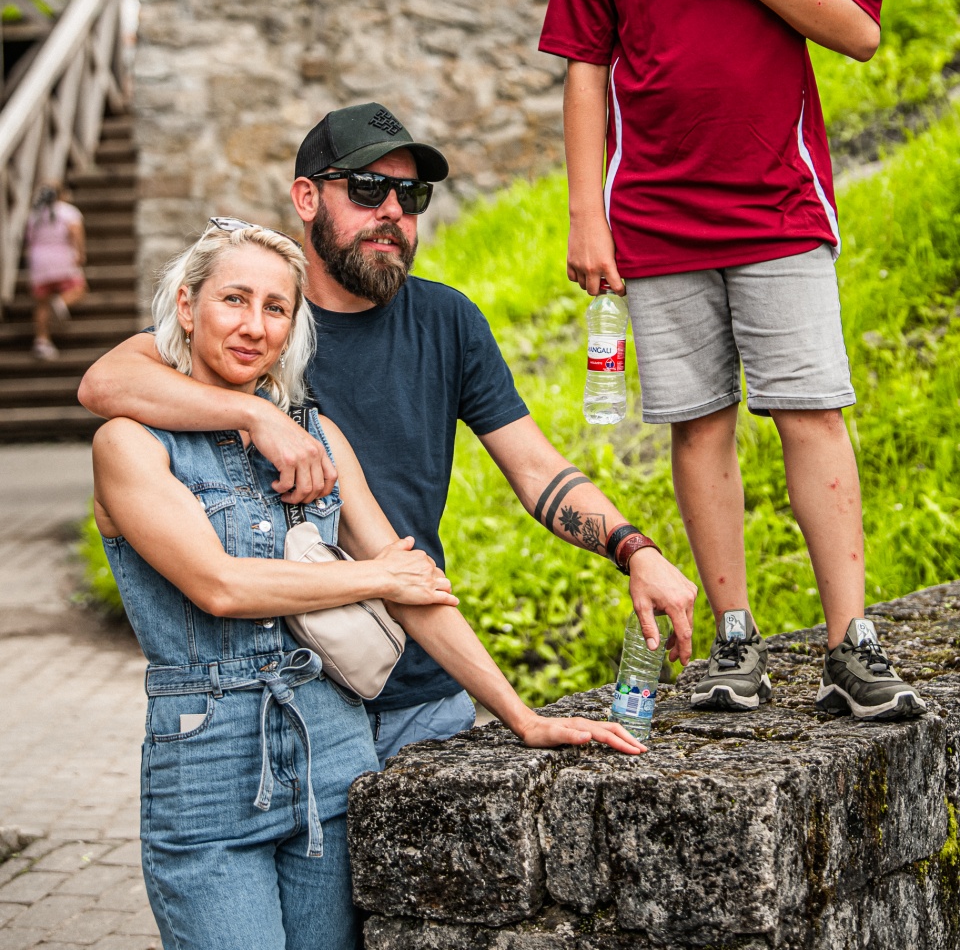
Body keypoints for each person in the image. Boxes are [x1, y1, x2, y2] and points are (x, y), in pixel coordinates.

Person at [80, 103, 698, 766]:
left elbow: (536, 469)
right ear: (307, 198)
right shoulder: (252, 330)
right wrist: (257, 414)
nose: (393, 212)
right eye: (368, 188)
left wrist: (634, 549)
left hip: (423, 680)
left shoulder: (446, 321)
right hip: (299, 695)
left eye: (412, 195)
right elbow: (105, 383)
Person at [539, 0, 924, 722]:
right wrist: (586, 215)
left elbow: (858, 30)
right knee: (698, 426)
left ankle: (852, 643)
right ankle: (735, 642)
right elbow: (582, 66)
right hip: (655, 218)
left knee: (812, 413)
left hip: (779, 207)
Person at [93, 221, 641, 950]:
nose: (254, 326)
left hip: (333, 753)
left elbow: (414, 585)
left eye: (276, 308)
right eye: (234, 300)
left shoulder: (317, 436)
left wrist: (521, 716)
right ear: (187, 308)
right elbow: (220, 586)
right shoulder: (129, 442)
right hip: (209, 769)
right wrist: (375, 575)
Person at [25, 182, 87, 360]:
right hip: (62, 257)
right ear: (62, 194)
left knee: (41, 303)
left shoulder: (35, 214)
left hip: (39, 260)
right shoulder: (68, 211)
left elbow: (29, 238)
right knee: (79, 289)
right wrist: (80, 252)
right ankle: (60, 303)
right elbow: (75, 231)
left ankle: (42, 341)